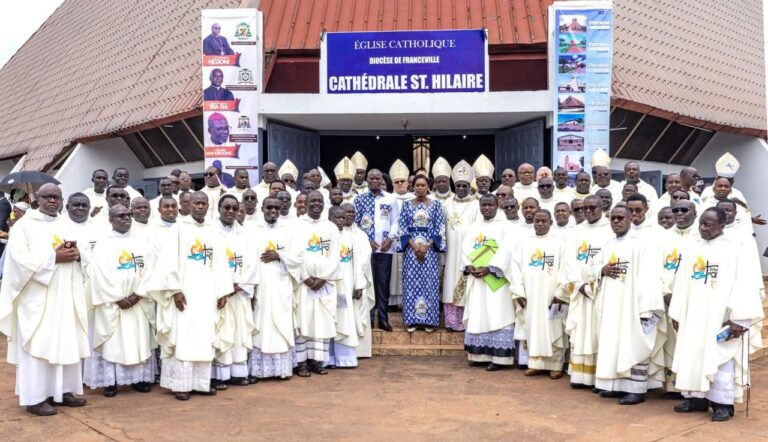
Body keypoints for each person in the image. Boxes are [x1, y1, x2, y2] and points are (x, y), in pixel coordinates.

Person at [0, 183, 88, 415]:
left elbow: (86, 253)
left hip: (66, 296)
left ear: (62, 200)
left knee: (64, 341)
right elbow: (18, 260)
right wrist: (53, 258)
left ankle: (63, 391)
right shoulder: (24, 226)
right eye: (47, 196)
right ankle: (35, 397)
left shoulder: (67, 223)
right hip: (37, 300)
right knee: (38, 344)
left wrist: (79, 255)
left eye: (56, 197)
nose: (52, 200)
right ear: (37, 198)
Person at [669, 208, 764, 421]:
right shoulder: (692, 246)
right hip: (693, 314)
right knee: (692, 354)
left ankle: (722, 404)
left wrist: (740, 318)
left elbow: (745, 283)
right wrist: (677, 311)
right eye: (701, 223)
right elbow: (681, 281)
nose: (702, 228)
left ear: (722, 225)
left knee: (721, 357)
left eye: (708, 224)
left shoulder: (735, 248)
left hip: (720, 315)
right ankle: (696, 399)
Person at [145, 191, 234, 400]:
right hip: (185, 295)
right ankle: (181, 385)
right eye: (197, 203)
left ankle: (201, 384)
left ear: (209, 206)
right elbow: (167, 262)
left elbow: (221, 263)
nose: (200, 207)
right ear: (187, 205)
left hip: (208, 294)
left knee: (205, 337)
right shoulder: (178, 229)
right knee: (184, 337)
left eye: (204, 203)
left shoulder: (213, 231)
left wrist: (222, 291)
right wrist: (174, 290)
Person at [590, 205, 664, 404]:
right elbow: (592, 267)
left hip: (633, 306)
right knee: (613, 342)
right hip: (610, 304)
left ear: (631, 218)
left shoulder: (643, 244)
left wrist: (645, 309)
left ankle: (635, 389)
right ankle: (616, 386)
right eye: (613, 218)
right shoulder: (607, 244)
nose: (616, 221)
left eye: (620, 218)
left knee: (633, 342)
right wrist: (602, 270)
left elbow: (650, 277)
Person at [84, 205, 156, 397]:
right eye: (121, 216)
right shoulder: (103, 244)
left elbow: (151, 270)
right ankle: (111, 381)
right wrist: (117, 298)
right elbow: (98, 275)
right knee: (114, 342)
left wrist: (137, 295)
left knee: (139, 340)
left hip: (139, 301)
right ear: (110, 220)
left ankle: (140, 379)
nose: (126, 218)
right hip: (114, 303)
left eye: (128, 215)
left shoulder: (143, 242)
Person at [559, 195, 611, 388]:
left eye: (592, 207)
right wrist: (579, 285)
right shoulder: (575, 232)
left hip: (601, 292)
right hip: (579, 292)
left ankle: (600, 377)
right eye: (584, 208)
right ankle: (580, 377)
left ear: (602, 207)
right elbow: (568, 262)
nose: (588, 211)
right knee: (581, 332)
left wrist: (593, 284)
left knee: (600, 333)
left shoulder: (610, 230)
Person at [249, 197, 303, 380]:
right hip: (261, 285)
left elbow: (299, 258)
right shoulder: (252, 230)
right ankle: (258, 370)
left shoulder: (289, 230)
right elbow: (248, 258)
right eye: (269, 207)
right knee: (260, 324)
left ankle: (282, 369)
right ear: (262, 208)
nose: (273, 211)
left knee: (282, 324)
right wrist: (251, 287)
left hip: (282, 285)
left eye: (276, 208)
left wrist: (279, 255)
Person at [461, 194, 518, 370]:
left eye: (490, 205)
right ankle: (478, 355)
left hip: (496, 280)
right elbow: (465, 248)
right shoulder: (474, 226)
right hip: (477, 279)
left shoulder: (506, 226)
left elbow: (508, 250)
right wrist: (469, 265)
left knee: (497, 313)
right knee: (478, 313)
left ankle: (499, 358)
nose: (486, 208)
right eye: (483, 205)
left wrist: (491, 268)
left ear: (497, 205)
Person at [514, 209, 567, 379]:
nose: (540, 224)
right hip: (530, 295)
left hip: (553, 295)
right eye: (537, 221)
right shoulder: (525, 242)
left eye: (544, 221)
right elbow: (515, 267)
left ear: (551, 223)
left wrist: (561, 293)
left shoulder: (559, 242)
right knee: (533, 327)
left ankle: (556, 365)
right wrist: (518, 292)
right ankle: (535, 363)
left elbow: (565, 268)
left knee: (554, 328)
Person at [211, 195, 257, 389]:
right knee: (221, 330)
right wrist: (224, 287)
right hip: (219, 295)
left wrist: (239, 285)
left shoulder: (245, 233)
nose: (231, 212)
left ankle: (237, 373)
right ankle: (218, 375)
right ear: (219, 208)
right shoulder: (210, 232)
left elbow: (253, 262)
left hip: (239, 292)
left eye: (234, 208)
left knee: (239, 331)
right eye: (227, 207)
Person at [294, 191, 341, 376]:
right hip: (303, 283)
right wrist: (305, 277)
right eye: (312, 201)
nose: (316, 204)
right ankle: (301, 363)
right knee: (303, 320)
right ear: (305, 203)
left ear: (324, 204)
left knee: (322, 321)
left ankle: (317, 361)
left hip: (324, 283)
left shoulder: (331, 227)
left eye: (319, 201)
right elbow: (292, 255)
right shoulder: (296, 225)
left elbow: (336, 255)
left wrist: (323, 278)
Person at [397, 175, 446, 333]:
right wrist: (414, 246)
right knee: (411, 284)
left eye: (423, 185)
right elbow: (402, 228)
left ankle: (429, 321)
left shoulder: (436, 205)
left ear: (427, 186)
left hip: (429, 252)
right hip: (411, 252)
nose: (420, 188)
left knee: (429, 283)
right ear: (413, 187)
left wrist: (426, 246)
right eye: (417, 185)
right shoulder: (406, 205)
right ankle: (412, 320)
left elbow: (440, 228)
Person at [354, 169, 399, 331]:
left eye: (377, 178)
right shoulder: (359, 199)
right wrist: (367, 240)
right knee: (367, 282)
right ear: (367, 180)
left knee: (383, 283)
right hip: (365, 249)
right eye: (371, 178)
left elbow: (396, 220)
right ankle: (369, 317)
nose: (374, 181)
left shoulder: (391, 199)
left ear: (382, 180)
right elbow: (355, 223)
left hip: (385, 248)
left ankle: (383, 319)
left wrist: (390, 239)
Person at [441, 161, 479, 331]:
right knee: (450, 284)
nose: (461, 188)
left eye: (464, 185)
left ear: (470, 186)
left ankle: (465, 321)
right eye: (458, 185)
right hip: (450, 252)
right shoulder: (446, 204)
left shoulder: (477, 205)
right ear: (454, 186)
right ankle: (451, 321)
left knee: (466, 284)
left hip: (468, 254)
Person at [325, 206, 361, 368]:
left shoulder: (350, 237)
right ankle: (328, 358)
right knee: (329, 316)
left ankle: (344, 358)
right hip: (329, 284)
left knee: (344, 316)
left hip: (346, 284)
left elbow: (356, 262)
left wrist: (358, 284)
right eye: (337, 217)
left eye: (342, 218)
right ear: (329, 218)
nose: (340, 220)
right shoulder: (325, 235)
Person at [341, 203, 375, 358]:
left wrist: (358, 283)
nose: (350, 215)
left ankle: (361, 351)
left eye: (352, 212)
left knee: (358, 313)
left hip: (358, 282)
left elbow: (365, 260)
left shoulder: (361, 235)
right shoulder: (335, 233)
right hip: (341, 282)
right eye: (346, 212)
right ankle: (343, 352)